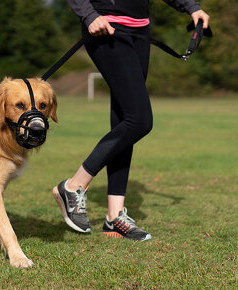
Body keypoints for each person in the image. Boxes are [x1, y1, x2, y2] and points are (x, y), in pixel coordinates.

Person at [52, 0, 210, 240]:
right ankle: (74, 185)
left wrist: (191, 6)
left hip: (140, 29)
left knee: (124, 120)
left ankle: (114, 217)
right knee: (140, 120)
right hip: (105, 26)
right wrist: (88, 14)